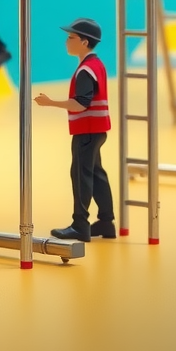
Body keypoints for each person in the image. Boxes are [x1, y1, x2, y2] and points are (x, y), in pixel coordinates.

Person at [34, 17, 115, 242]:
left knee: (81, 175)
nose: (66, 42)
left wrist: (50, 103)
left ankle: (80, 225)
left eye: (71, 38)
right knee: (96, 173)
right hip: (97, 129)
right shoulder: (96, 64)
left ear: (85, 42)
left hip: (87, 130)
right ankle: (106, 222)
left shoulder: (85, 70)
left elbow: (80, 103)